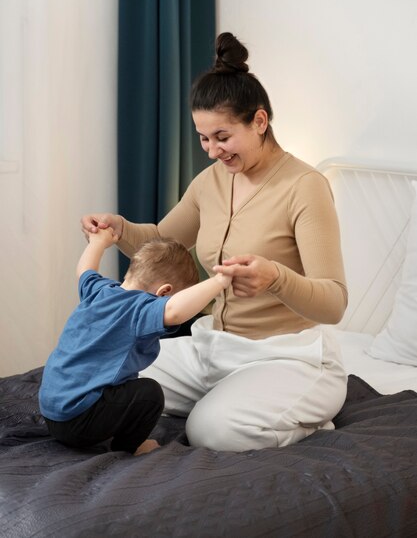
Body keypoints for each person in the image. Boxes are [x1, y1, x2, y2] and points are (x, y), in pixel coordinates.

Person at [81, 32, 349, 452]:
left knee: (209, 431)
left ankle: (307, 421)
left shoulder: (305, 187)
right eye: (203, 138)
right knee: (98, 378)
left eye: (222, 137)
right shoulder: (212, 181)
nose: (211, 151)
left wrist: (275, 277)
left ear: (259, 122)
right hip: (213, 347)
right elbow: (162, 241)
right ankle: (232, 399)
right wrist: (119, 229)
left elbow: (334, 303)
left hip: (288, 357)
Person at [39, 228, 231, 456]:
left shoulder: (98, 291)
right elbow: (176, 312)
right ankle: (132, 446)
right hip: (79, 423)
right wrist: (221, 281)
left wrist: (98, 241)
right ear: (164, 292)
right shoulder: (139, 309)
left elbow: (85, 270)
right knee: (149, 393)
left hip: (51, 412)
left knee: (119, 384)